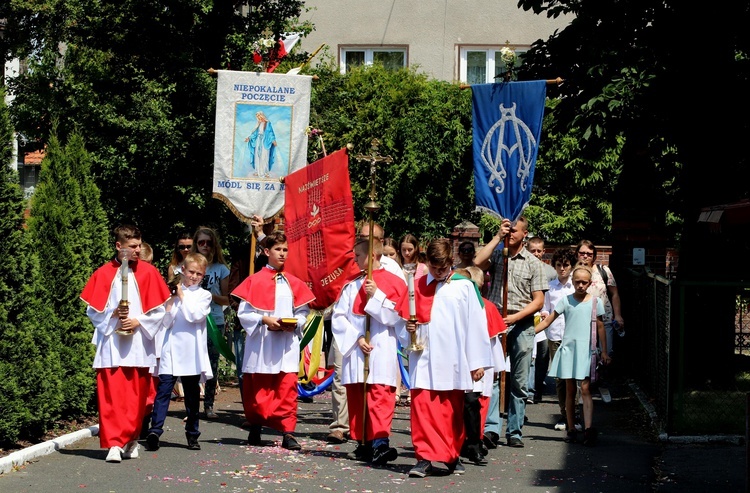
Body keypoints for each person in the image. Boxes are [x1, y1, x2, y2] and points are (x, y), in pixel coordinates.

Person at [401, 238, 493, 478]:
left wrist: (477, 363)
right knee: (423, 409)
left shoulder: (464, 287)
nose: (438, 272)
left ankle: (451, 455)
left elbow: (476, 325)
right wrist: (408, 330)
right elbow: (403, 323)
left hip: (454, 359)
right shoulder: (417, 285)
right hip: (424, 359)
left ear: (451, 262)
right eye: (433, 267)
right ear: (427, 263)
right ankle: (423, 457)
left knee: (450, 411)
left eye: (443, 268)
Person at [80, 224, 171, 462]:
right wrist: (113, 316)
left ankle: (131, 438)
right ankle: (113, 443)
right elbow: (93, 311)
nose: (138, 249)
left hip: (139, 344)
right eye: (133, 246)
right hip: (111, 344)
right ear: (119, 246)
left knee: (135, 397)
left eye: (140, 245)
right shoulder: (102, 273)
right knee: (110, 395)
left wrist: (138, 322)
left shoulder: (149, 272)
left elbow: (159, 310)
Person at [232, 231, 316, 451]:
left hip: (285, 344)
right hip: (261, 343)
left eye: (285, 249)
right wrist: (263, 319)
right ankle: (256, 425)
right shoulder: (253, 280)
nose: (282, 253)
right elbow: (244, 314)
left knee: (286, 388)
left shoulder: (293, 282)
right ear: (266, 252)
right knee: (258, 389)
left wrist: (295, 322)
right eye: (278, 249)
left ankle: (288, 432)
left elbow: (303, 311)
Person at [332, 239, 407, 465]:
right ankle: (363, 442)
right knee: (358, 395)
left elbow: (397, 317)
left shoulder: (394, 282)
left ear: (372, 256)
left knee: (380, 394)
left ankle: (380, 443)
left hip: (382, 344)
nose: (354, 260)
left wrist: (376, 296)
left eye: (358, 256)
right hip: (357, 347)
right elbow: (339, 316)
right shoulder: (352, 284)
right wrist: (357, 337)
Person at [474, 216, 547, 448]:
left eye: (514, 230)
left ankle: (514, 430)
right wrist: (497, 236)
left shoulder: (534, 263)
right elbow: (476, 261)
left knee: (519, 381)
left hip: (522, 323)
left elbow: (539, 301)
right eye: (509, 230)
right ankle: (491, 428)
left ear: (525, 233)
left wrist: (515, 317)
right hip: (496, 322)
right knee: (493, 376)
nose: (511, 233)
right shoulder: (498, 254)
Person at [534, 264, 611, 445]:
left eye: (584, 282)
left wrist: (604, 351)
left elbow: (600, 326)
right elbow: (549, 320)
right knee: (569, 390)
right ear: (573, 282)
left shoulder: (595, 302)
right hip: (569, 349)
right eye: (577, 282)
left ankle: (589, 429)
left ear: (590, 283)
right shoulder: (566, 301)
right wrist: (531, 333)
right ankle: (571, 428)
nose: (581, 286)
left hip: (586, 350)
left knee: (585, 388)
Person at [146, 252, 213, 451]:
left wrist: (181, 296)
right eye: (191, 272)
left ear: (203, 276)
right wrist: (169, 304)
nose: (193, 276)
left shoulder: (204, 295)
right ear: (182, 270)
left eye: (198, 274)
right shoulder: (172, 295)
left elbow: (194, 316)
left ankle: (192, 434)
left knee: (192, 397)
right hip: (171, 350)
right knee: (163, 391)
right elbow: (165, 323)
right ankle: (155, 430)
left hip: (191, 352)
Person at [464, 265, 508, 463]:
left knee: (479, 403)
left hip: (484, 363)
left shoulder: (487, 307)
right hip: (471, 361)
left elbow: (493, 340)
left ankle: (476, 439)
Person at [192, 226, 230, 419]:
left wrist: (209, 296)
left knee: (212, 364)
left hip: (214, 321)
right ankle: (192, 407)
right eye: (201, 242)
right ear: (196, 245)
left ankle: (208, 405)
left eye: (208, 242)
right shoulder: (188, 265)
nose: (205, 246)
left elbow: (227, 299)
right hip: (193, 322)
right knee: (192, 365)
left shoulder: (221, 269)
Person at [540, 247, 578, 431]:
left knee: (573, 377)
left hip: (573, 335)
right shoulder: (551, 287)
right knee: (559, 378)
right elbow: (545, 309)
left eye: (566, 265)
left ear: (571, 266)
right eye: (559, 265)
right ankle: (564, 415)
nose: (562, 269)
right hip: (555, 335)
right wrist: (544, 314)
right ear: (554, 266)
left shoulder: (576, 286)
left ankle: (574, 415)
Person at [575, 240, 625, 358]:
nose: (585, 256)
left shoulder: (603, 270)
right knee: (585, 355)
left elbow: (614, 294)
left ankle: (603, 375)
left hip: (605, 318)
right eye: (582, 253)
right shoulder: (573, 273)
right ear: (577, 254)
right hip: (582, 321)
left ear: (594, 256)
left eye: (589, 254)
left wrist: (617, 315)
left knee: (606, 352)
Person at [526, 237, 555, 404]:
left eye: (539, 250)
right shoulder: (524, 267)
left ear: (543, 252)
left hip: (544, 318)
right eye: (533, 250)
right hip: (528, 314)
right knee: (530, 354)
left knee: (543, 354)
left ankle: (538, 384)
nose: (536, 253)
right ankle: (530, 389)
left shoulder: (550, 271)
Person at [245, 111, 278, 178]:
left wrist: (273, 140)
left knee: (264, 156)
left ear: (262, 115)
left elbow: (271, 133)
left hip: (265, 142)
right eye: (257, 117)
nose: (259, 118)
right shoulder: (258, 124)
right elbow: (255, 134)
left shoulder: (268, 123)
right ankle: (257, 171)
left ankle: (265, 172)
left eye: (259, 116)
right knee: (258, 156)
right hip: (258, 142)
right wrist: (249, 138)